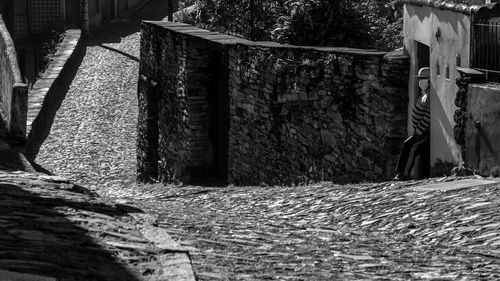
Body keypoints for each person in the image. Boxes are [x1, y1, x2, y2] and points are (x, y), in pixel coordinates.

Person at [394, 67, 431, 181]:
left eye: (422, 79)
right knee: (407, 144)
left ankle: (404, 174)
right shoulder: (424, 94)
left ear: (428, 80)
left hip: (424, 132)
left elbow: (428, 115)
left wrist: (419, 130)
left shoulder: (429, 95)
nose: (420, 81)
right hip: (419, 130)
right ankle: (399, 171)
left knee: (413, 147)